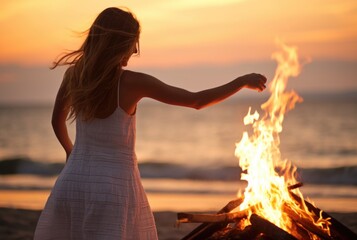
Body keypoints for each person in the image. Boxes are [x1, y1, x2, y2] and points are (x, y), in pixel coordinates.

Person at [34, 7, 267, 240]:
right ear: (118, 44)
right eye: (133, 43)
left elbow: (57, 120)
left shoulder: (75, 75)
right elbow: (196, 101)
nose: (135, 50)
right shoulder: (133, 82)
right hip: (113, 188)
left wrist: (70, 152)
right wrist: (241, 81)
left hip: (72, 181)